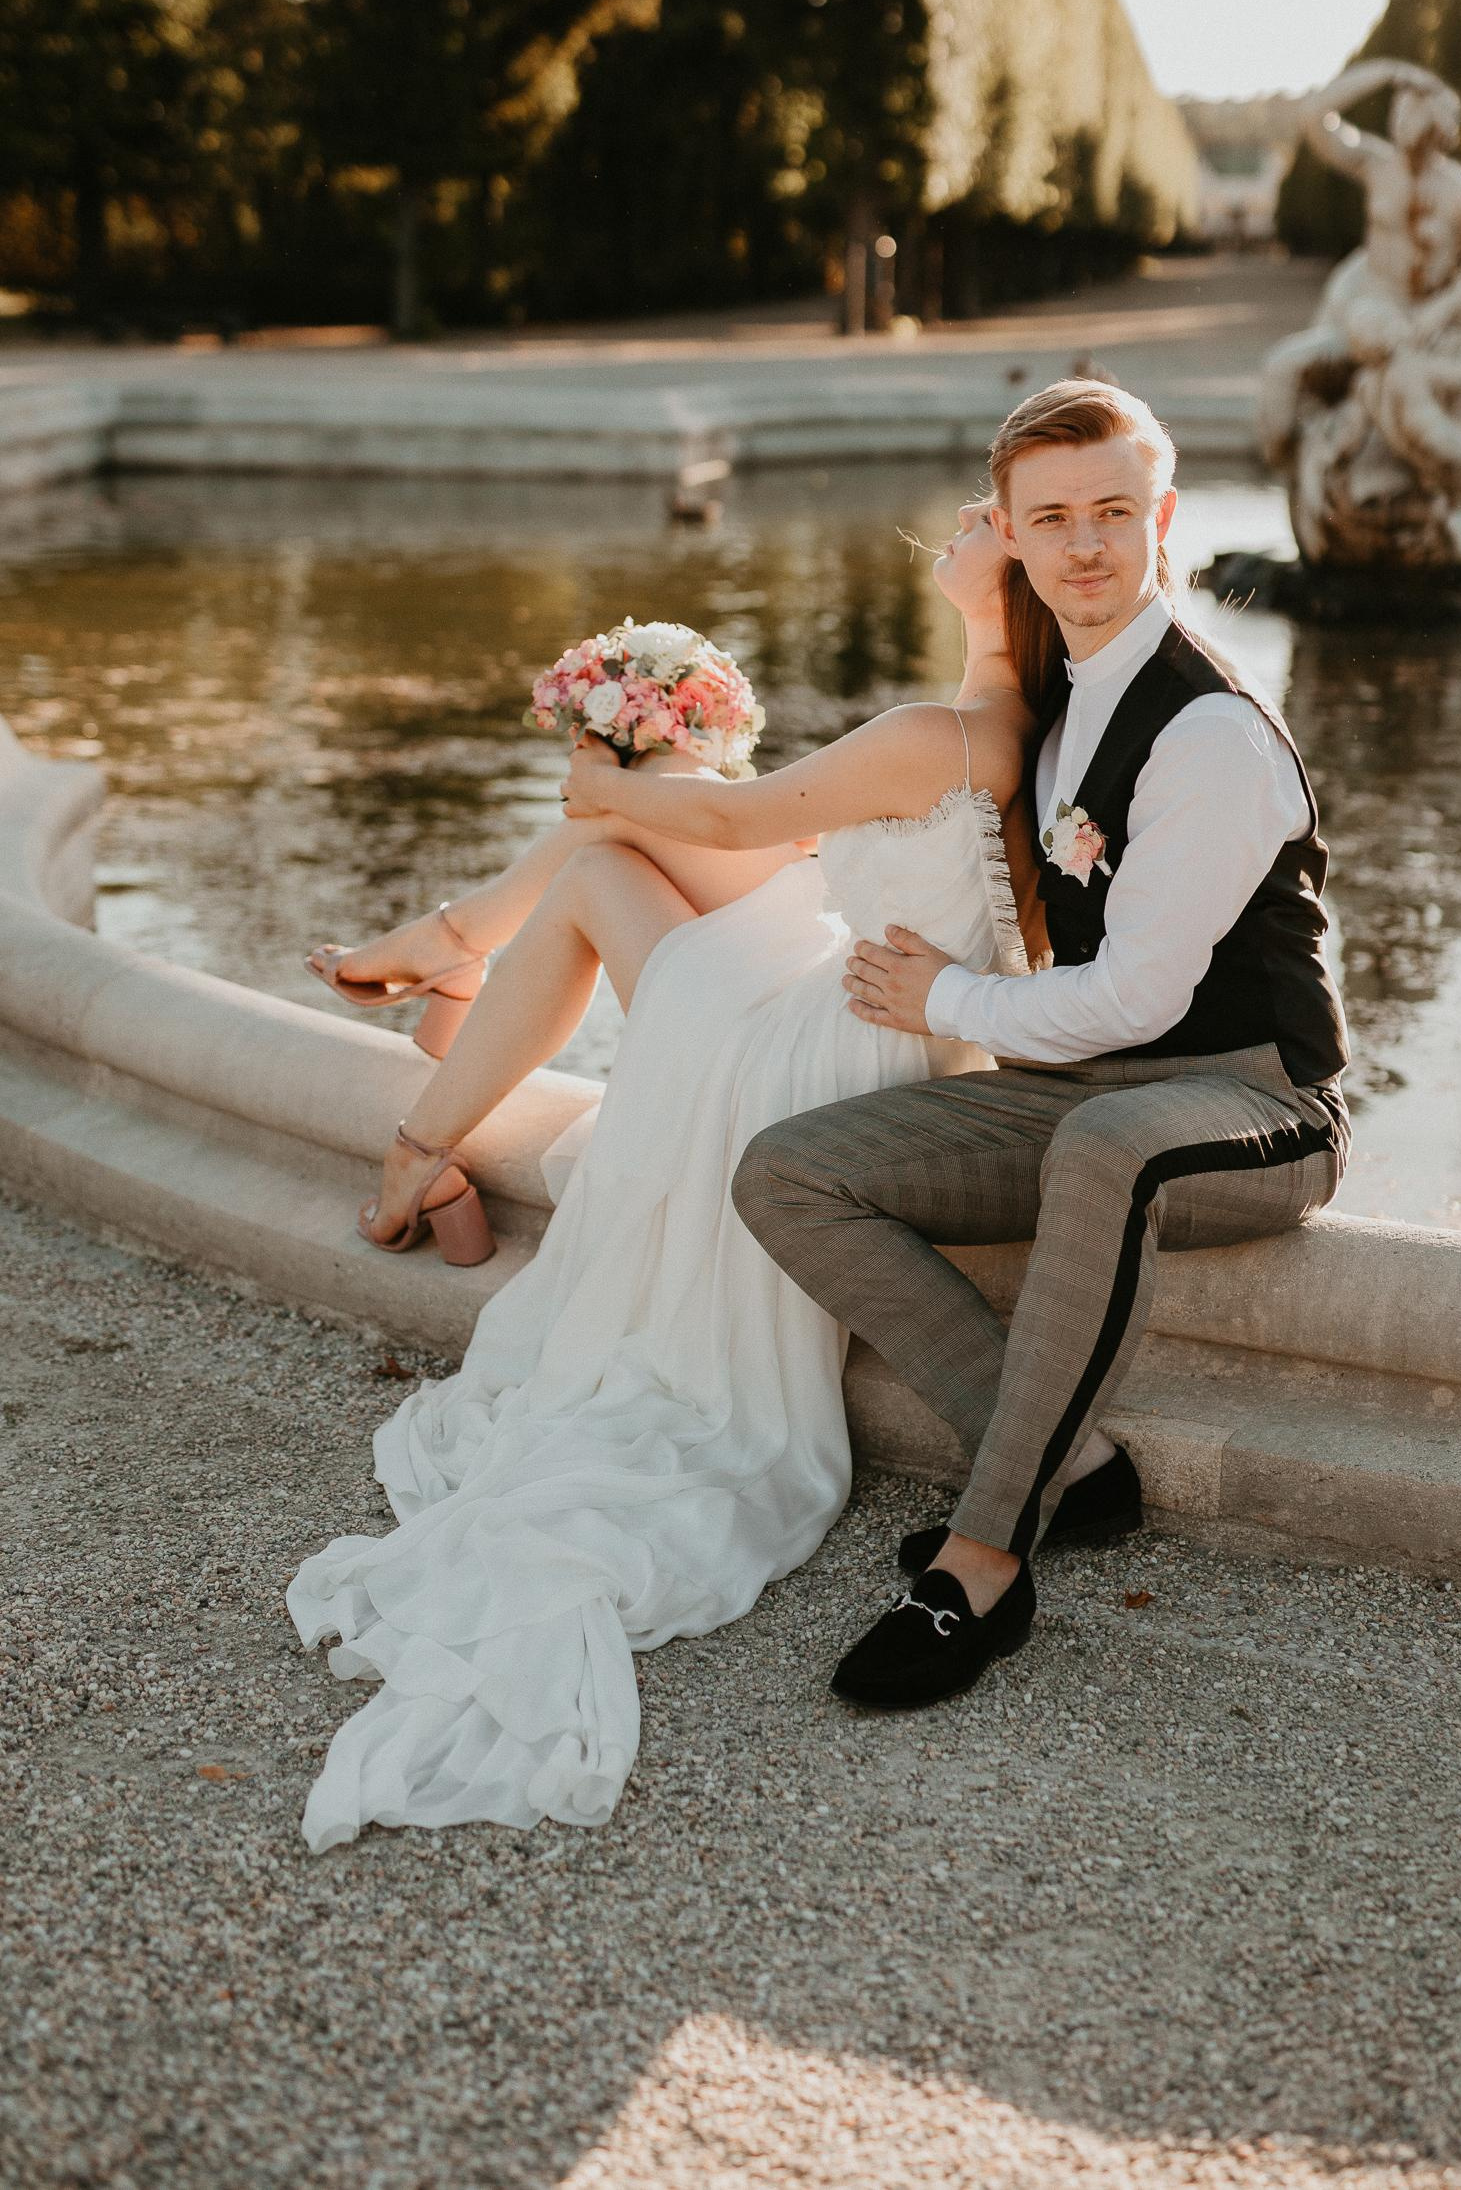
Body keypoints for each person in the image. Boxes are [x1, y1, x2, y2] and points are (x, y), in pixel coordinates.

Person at [287, 498, 1043, 1846]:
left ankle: (424, 1108)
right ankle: (436, 1022)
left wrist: (611, 767)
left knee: (594, 851)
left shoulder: (941, 730)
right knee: (605, 859)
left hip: (830, 1047)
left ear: (1007, 577)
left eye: (997, 522)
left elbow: (751, 818)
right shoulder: (1009, 711)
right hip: (872, 1001)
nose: (969, 520)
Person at [728, 378, 1351, 1712]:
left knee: (1106, 1143)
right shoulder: (1063, 697)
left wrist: (946, 1002)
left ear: (1165, 518)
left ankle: (983, 1564)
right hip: (1090, 1089)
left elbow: (1132, 998)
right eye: (1051, 518)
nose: (1084, 547)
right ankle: (1079, 1473)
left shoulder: (1211, 731)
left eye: (1114, 513)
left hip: (1252, 1106)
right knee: (786, 1174)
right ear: (1012, 531)